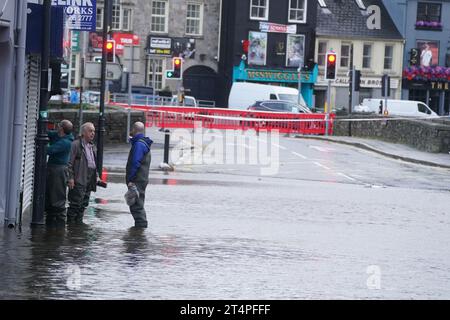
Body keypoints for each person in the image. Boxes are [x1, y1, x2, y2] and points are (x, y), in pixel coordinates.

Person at [67, 122, 99, 223]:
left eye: (93, 131)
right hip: (78, 179)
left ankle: (78, 226)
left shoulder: (92, 146)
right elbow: (69, 163)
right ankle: (71, 227)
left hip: (89, 181)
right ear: (83, 133)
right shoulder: (76, 145)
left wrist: (96, 177)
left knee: (83, 205)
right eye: (90, 131)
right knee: (75, 205)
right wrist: (70, 178)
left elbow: (93, 164)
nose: (93, 133)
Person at [45, 120, 74, 225]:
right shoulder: (60, 136)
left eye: (59, 125)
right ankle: (51, 219)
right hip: (53, 168)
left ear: (61, 128)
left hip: (59, 170)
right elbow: (49, 133)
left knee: (57, 196)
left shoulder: (66, 142)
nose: (57, 126)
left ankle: (60, 224)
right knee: (51, 195)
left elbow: (49, 150)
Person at [126, 122, 153, 228]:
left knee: (136, 206)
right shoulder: (142, 143)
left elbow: (135, 163)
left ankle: (140, 233)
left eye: (132, 129)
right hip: (141, 179)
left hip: (137, 180)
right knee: (137, 204)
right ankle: (139, 232)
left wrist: (130, 179)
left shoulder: (139, 145)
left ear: (134, 129)